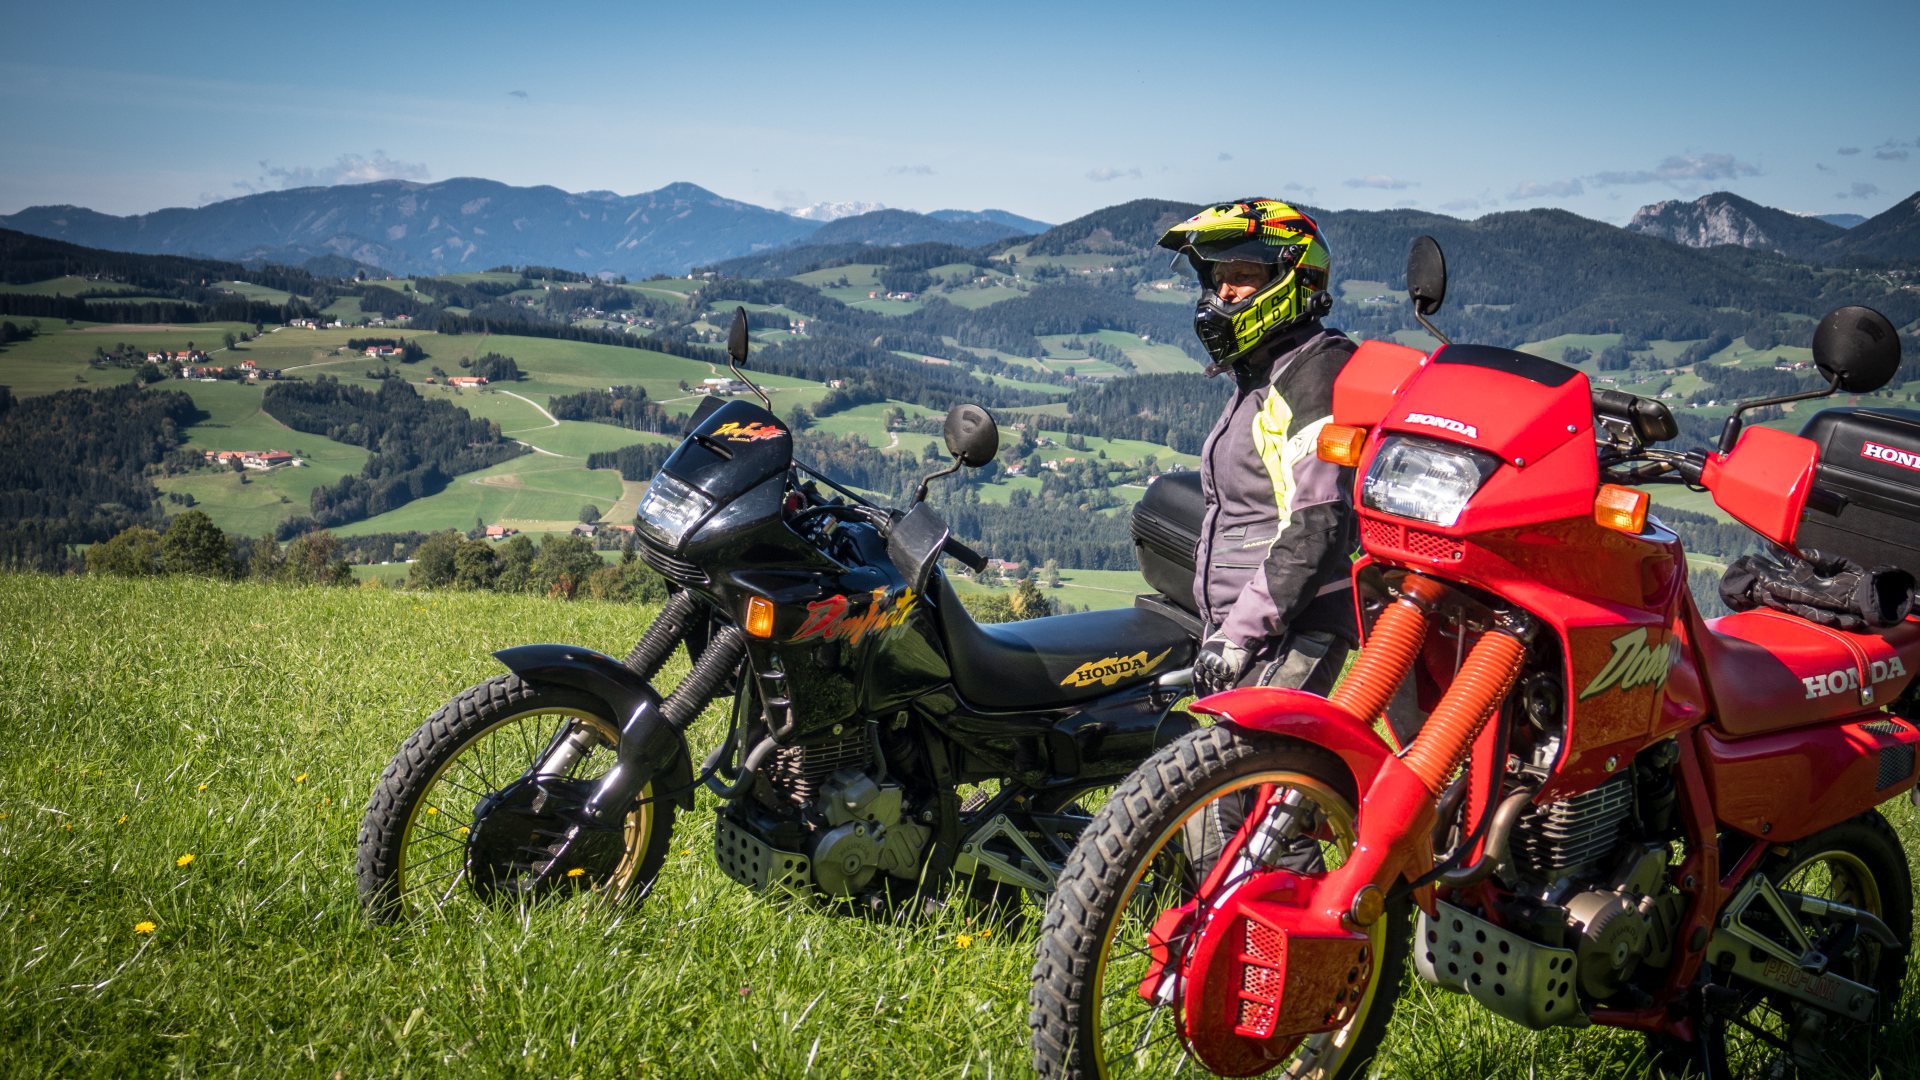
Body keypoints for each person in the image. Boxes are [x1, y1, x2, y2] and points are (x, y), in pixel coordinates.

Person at [1158, 198, 1359, 699]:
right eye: (1217, 277)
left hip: (1290, 630)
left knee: (1246, 752)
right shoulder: (1263, 373)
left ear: (1293, 278)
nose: (1223, 293)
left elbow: (1318, 521)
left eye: (1242, 275)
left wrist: (1239, 635)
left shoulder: (1315, 375)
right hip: (1243, 629)